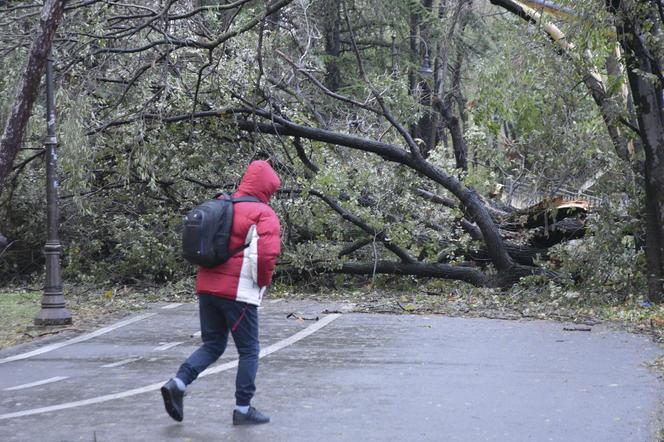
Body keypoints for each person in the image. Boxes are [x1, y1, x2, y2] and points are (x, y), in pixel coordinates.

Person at [161, 160, 281, 425]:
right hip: (237, 292)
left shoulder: (221, 203)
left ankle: (178, 383)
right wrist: (262, 283)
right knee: (249, 349)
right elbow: (266, 256)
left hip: (206, 286)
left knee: (213, 344)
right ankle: (242, 409)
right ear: (267, 188)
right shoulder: (263, 213)